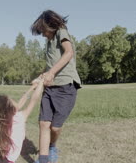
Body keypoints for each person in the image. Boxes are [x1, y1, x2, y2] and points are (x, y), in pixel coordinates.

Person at [31, 10, 82, 163]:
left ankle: (52, 145)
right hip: (50, 88)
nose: (43, 35)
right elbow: (51, 65)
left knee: (55, 127)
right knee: (43, 124)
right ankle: (44, 159)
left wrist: (51, 73)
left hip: (66, 87)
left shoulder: (61, 32)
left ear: (50, 25)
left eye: (43, 31)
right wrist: (42, 76)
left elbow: (68, 53)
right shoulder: (48, 42)